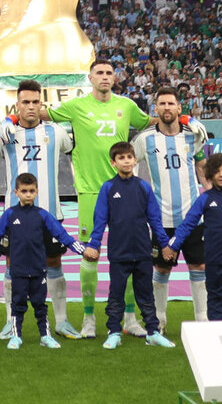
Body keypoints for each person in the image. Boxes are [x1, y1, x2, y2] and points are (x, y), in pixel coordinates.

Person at [42, 59, 152, 338]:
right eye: (99, 73)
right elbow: (43, 114)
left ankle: (129, 317)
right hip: (90, 191)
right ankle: (89, 318)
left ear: (114, 78)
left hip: (123, 189)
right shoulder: (76, 106)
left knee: (128, 256)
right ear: (90, 78)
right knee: (89, 255)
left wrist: (181, 118)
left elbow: (149, 121)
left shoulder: (126, 106)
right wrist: (14, 117)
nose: (104, 77)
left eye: (108, 73)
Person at [0, 80, 78, 339]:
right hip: (14, 215)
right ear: (16, 105)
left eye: (35, 102)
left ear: (42, 105)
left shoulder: (56, 132)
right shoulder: (5, 133)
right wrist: (7, 121)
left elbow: (72, 150)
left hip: (50, 212)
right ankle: (10, 321)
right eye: (25, 102)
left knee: (54, 263)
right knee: (11, 265)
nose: (30, 106)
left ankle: (61, 320)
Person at [0, 173, 86, 350]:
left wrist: (82, 249)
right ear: (16, 192)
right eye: (24, 191)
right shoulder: (10, 214)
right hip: (18, 270)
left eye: (31, 191)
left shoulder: (42, 215)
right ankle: (16, 336)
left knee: (40, 305)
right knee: (18, 305)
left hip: (39, 269)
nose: (28, 194)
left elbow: (61, 234)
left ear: (37, 192)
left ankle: (45, 336)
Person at [131, 86, 209, 331]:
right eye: (162, 104)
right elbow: (129, 167)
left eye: (170, 104)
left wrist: (212, 195)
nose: (166, 108)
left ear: (179, 108)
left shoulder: (192, 135)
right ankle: (159, 320)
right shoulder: (145, 139)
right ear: (156, 108)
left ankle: (202, 320)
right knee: (161, 267)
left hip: (192, 217)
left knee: (199, 266)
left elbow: (201, 166)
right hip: (161, 219)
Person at [83, 142, 175, 349]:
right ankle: (114, 331)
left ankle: (153, 332)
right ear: (113, 163)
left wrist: (164, 244)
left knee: (146, 294)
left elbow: (155, 220)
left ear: (135, 160)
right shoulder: (108, 188)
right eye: (121, 158)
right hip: (118, 252)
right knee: (116, 294)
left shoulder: (143, 187)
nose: (126, 161)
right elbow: (100, 221)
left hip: (142, 251)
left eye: (129, 157)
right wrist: (93, 244)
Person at [164, 154, 222, 321]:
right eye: (217, 171)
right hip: (214, 260)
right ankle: (216, 336)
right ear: (209, 176)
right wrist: (173, 245)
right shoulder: (204, 199)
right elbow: (188, 224)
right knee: (215, 298)